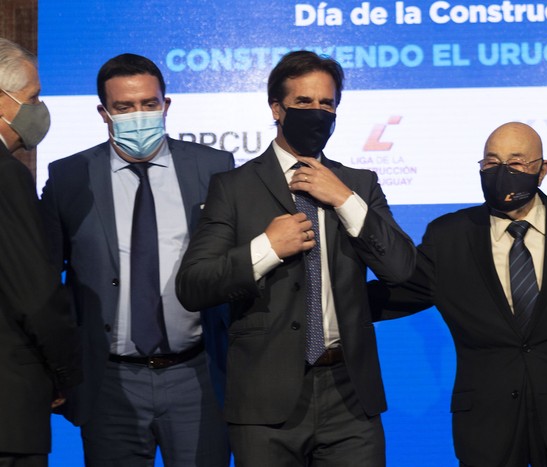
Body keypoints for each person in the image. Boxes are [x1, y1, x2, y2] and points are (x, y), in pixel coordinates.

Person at [175, 50, 416, 466]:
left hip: (350, 396)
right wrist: (266, 248)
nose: (318, 113)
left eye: (328, 104)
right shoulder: (232, 187)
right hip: (264, 401)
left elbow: (400, 267)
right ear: (276, 108)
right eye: (304, 102)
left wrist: (343, 198)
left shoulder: (359, 183)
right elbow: (194, 285)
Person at [370, 122, 547, 466]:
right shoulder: (449, 237)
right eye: (491, 163)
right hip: (488, 427)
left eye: (516, 163)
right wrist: (326, 298)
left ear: (542, 170)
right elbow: (396, 293)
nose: (502, 172)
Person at [40, 53, 233, 466]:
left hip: (197, 374)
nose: (139, 115)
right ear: (103, 113)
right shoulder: (69, 177)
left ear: (166, 104)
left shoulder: (215, 168)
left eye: (149, 103)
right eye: (124, 107)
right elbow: (43, 280)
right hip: (109, 381)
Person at [0, 37, 81, 467]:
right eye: (32, 97)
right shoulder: (6, 176)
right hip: (8, 412)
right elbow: (35, 296)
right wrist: (66, 375)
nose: (39, 107)